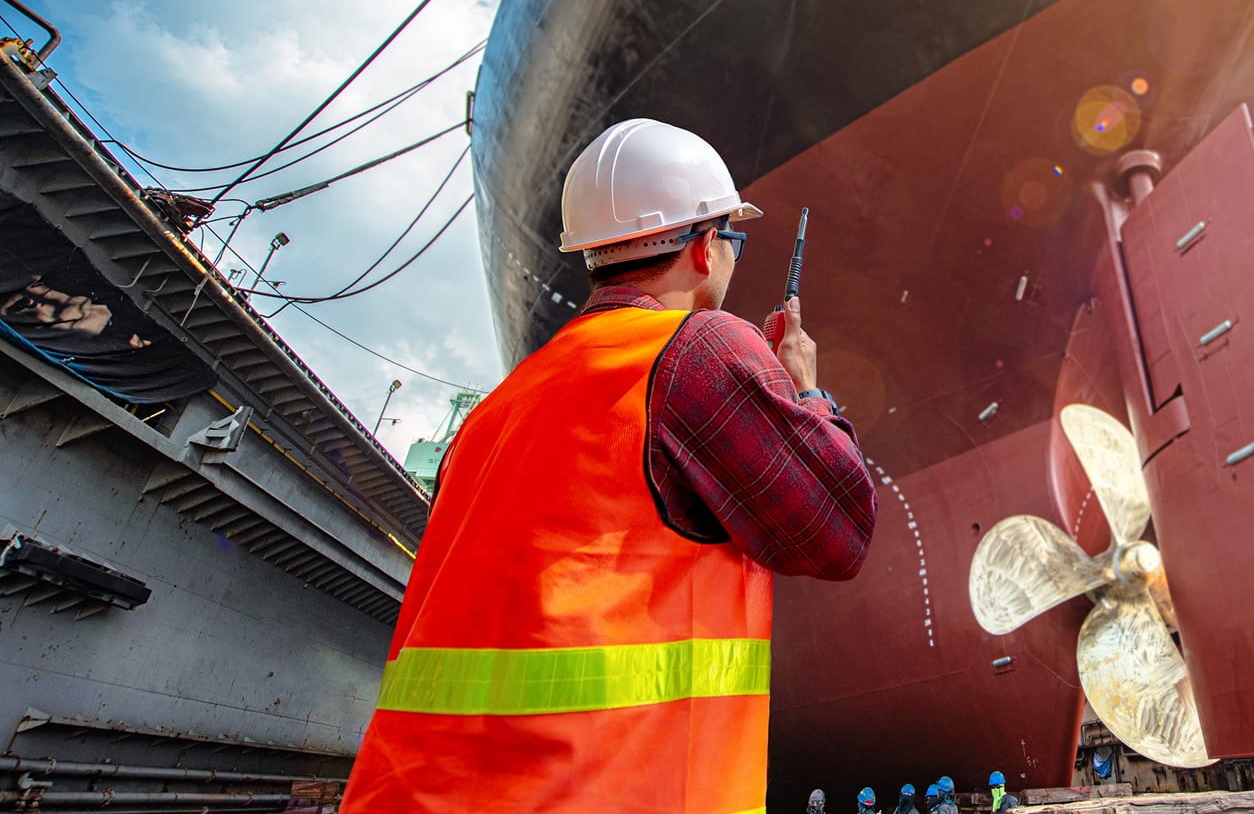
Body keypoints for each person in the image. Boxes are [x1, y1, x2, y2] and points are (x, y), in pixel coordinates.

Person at [341, 119, 877, 813]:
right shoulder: (701, 349)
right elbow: (838, 533)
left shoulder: (497, 409)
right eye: (732, 240)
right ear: (707, 246)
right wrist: (805, 389)